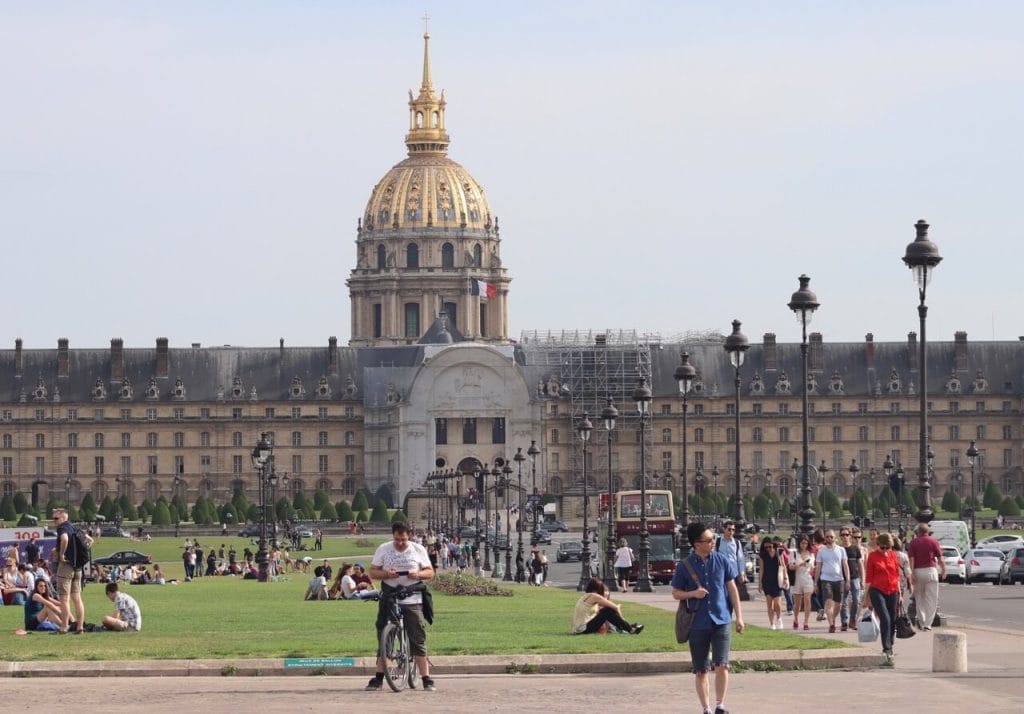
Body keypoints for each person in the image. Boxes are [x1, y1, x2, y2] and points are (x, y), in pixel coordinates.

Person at [672, 522, 745, 714]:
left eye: (713, 539)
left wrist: (739, 617)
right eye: (709, 540)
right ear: (697, 544)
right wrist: (693, 594)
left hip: (721, 620)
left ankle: (720, 704)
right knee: (701, 669)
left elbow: (732, 588)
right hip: (697, 623)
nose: (713, 542)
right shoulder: (684, 566)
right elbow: (676, 593)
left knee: (722, 665)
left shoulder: (721, 560)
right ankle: (706, 708)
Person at [365, 522, 436, 692]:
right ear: (393, 536)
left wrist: (417, 574)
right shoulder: (384, 549)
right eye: (397, 539)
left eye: (403, 540)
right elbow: (373, 572)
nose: (400, 543)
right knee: (384, 635)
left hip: (412, 598)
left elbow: (430, 572)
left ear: (409, 536)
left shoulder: (418, 549)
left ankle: (426, 678)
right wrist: (386, 574)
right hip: (390, 597)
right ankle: (379, 678)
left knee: (417, 637)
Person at [863, 531, 901, 665]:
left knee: (893, 619)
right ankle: (886, 648)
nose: (885, 550)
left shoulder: (893, 555)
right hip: (877, 590)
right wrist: (865, 597)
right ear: (878, 544)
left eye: (888, 547)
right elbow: (868, 578)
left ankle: (890, 644)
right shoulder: (872, 556)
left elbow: (897, 575)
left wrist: (900, 593)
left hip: (893, 590)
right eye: (882, 547)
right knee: (885, 618)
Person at [54, 508, 89, 634]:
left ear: (63, 518)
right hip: (78, 568)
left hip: (66, 567)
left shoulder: (62, 528)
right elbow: (90, 540)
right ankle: (80, 627)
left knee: (64, 599)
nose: (54, 521)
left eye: (56, 518)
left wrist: (62, 554)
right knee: (77, 598)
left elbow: (64, 539)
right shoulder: (75, 528)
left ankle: (64, 626)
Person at [906, 523, 945, 631]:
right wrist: (943, 570)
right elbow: (940, 558)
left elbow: (911, 559)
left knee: (919, 599)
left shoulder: (914, 542)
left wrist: (912, 573)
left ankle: (922, 622)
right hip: (931, 571)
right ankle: (928, 624)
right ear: (928, 532)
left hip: (918, 571)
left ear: (918, 532)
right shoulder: (933, 541)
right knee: (932, 599)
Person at [571, 577, 643, 634]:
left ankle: (626, 628)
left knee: (606, 611)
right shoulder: (595, 596)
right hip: (582, 629)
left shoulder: (586, 596)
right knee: (607, 611)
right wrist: (623, 619)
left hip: (579, 628)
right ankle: (630, 629)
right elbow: (615, 607)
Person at [812, 529, 850, 634]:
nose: (829, 538)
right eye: (827, 537)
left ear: (835, 538)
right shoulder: (821, 551)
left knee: (839, 604)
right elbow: (818, 567)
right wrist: (815, 582)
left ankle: (832, 618)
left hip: (839, 579)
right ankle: (831, 625)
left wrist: (848, 580)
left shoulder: (841, 550)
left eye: (831, 537)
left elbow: (845, 565)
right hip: (826, 579)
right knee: (828, 602)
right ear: (825, 538)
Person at [839, 527, 865, 632]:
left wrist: (863, 579)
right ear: (840, 537)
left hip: (855, 578)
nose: (845, 537)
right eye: (843, 535)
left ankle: (852, 619)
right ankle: (844, 622)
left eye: (847, 535)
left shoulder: (855, 549)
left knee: (856, 600)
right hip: (842, 578)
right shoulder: (839, 549)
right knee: (843, 601)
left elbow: (860, 564)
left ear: (850, 536)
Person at [757, 540, 787, 630]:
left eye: (770, 547)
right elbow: (761, 569)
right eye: (766, 547)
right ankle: (772, 624)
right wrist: (760, 583)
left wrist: (785, 578)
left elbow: (783, 566)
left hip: (777, 580)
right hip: (767, 580)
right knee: (769, 604)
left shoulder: (779, 553)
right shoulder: (763, 555)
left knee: (777, 603)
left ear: (774, 546)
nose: (768, 549)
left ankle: (779, 618)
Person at [715, 520, 747, 600]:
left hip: (733, 573)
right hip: (721, 572)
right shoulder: (718, 541)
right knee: (722, 595)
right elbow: (714, 557)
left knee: (732, 596)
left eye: (733, 530)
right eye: (729, 529)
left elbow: (740, 559)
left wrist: (741, 573)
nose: (731, 532)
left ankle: (729, 610)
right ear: (724, 529)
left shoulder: (736, 542)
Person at [789, 534, 816, 630]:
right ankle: (796, 618)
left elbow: (812, 568)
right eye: (802, 543)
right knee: (797, 603)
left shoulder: (811, 554)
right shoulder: (794, 553)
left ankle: (806, 621)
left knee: (807, 600)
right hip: (797, 578)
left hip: (807, 578)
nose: (804, 545)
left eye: (805, 543)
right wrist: (801, 563)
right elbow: (791, 566)